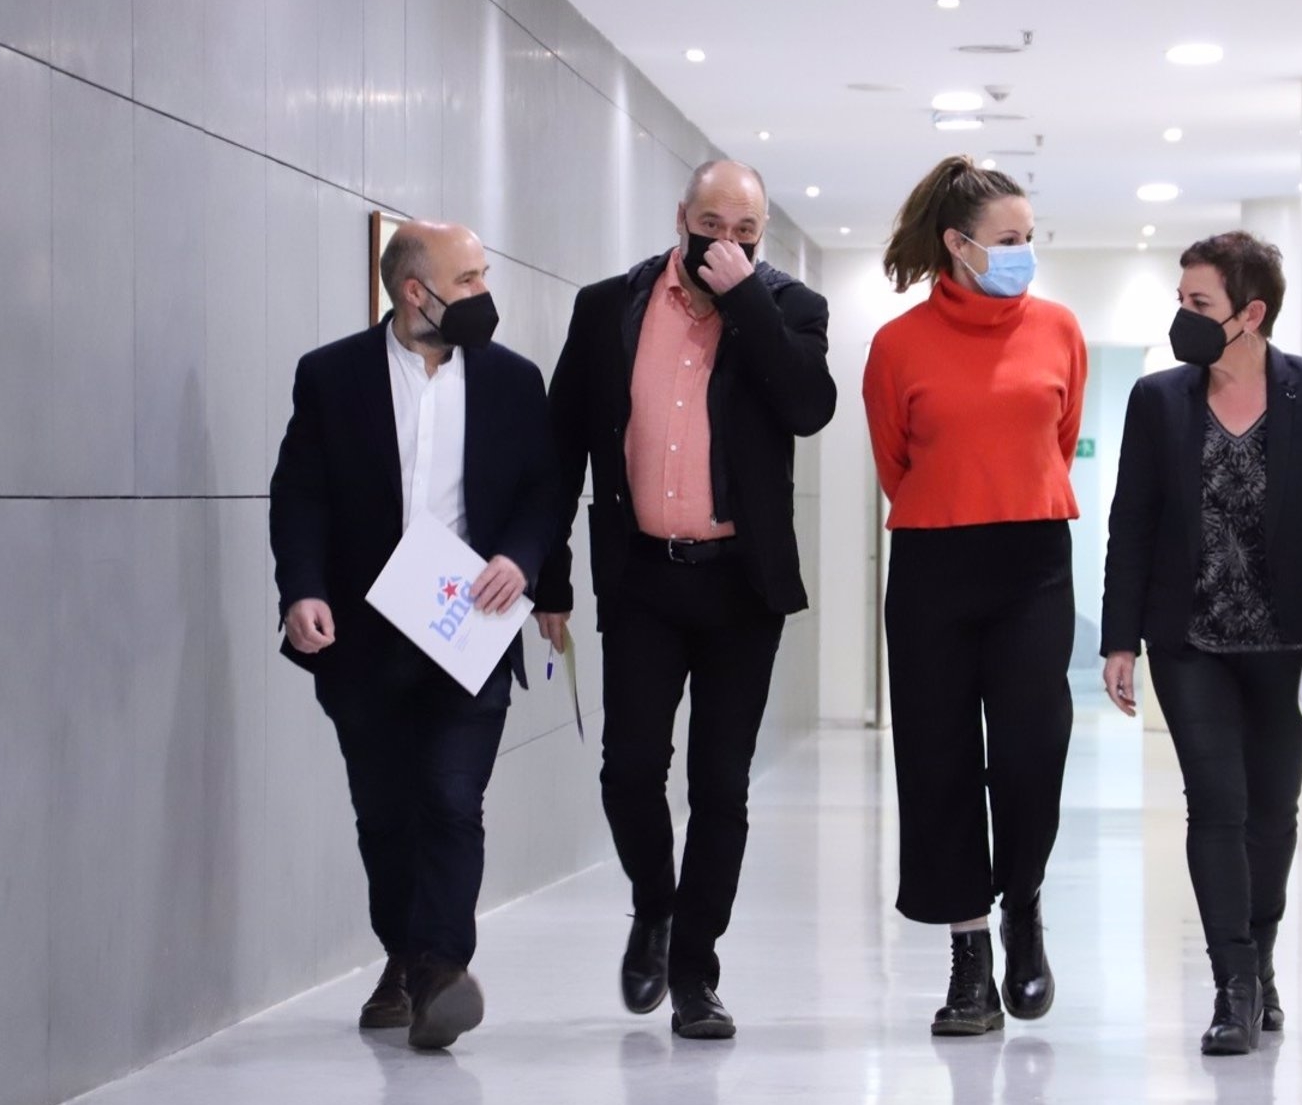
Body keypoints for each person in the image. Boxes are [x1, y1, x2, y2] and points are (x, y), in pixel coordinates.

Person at [533, 160, 836, 1040]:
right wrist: (549, 576)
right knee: (629, 767)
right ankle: (654, 908)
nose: (727, 242)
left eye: (746, 231)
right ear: (680, 217)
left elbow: (809, 406)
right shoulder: (608, 307)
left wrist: (745, 300)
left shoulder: (790, 309)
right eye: (712, 224)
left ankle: (696, 972)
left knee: (720, 784)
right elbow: (561, 449)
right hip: (641, 577)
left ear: (763, 232)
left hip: (742, 583)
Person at [269, 220, 559, 1051]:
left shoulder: (512, 380)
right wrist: (302, 590)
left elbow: (543, 490)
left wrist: (521, 556)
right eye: (467, 280)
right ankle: (404, 953)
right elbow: (301, 495)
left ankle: (439, 970)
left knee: (451, 798)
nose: (483, 293)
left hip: (470, 626)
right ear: (413, 292)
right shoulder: (330, 376)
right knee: (385, 810)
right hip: (362, 634)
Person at [1101, 231, 1302, 1055]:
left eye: (1199, 305)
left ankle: (1261, 957)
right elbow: (1134, 523)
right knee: (1216, 806)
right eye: (1181, 301)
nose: (1182, 319)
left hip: (1294, 641)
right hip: (1192, 640)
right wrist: (1118, 638)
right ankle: (1230, 981)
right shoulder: (1158, 399)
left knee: (1272, 814)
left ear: (1251, 313)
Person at [862, 156, 1086, 1037]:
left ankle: (1022, 901)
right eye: (1007, 240)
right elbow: (894, 462)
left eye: (1030, 238)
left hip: (1032, 558)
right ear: (958, 247)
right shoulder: (897, 345)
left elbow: (1057, 442)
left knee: (1035, 749)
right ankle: (969, 958)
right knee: (938, 761)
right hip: (932, 563)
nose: (1023, 252)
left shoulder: (1059, 329)